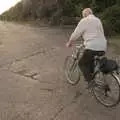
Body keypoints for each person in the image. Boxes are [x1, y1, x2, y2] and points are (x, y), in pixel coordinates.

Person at [66, 8, 107, 83]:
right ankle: (93, 77)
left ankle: (90, 82)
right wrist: (85, 43)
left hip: (92, 47)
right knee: (89, 59)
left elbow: (76, 33)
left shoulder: (84, 20)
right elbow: (97, 34)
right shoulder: (98, 20)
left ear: (84, 14)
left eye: (83, 15)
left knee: (81, 63)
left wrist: (70, 42)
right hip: (103, 47)